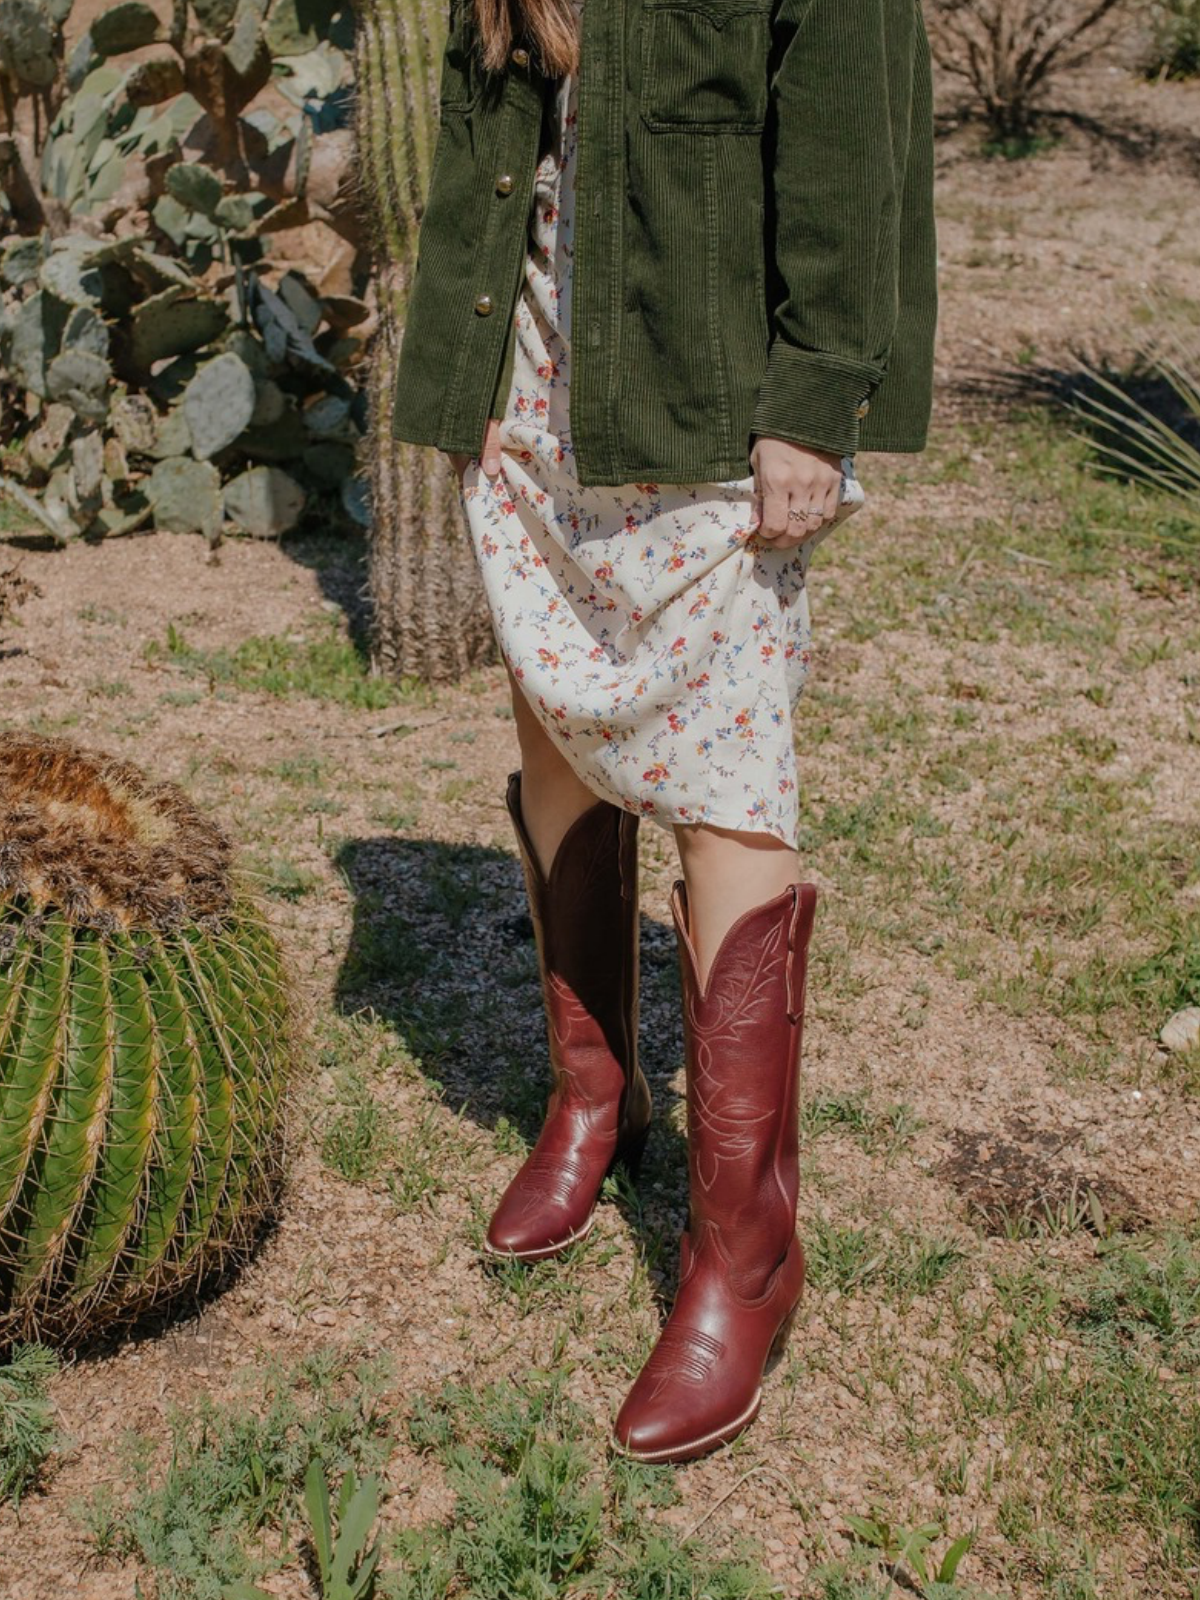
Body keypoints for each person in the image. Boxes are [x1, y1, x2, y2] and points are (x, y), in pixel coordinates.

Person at [389, 0, 938, 1463]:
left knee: (727, 776)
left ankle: (741, 1254)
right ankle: (595, 1102)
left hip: (706, 388)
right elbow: (485, 111)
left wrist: (816, 401)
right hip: (536, 367)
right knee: (556, 722)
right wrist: (466, 366)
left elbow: (849, 121)